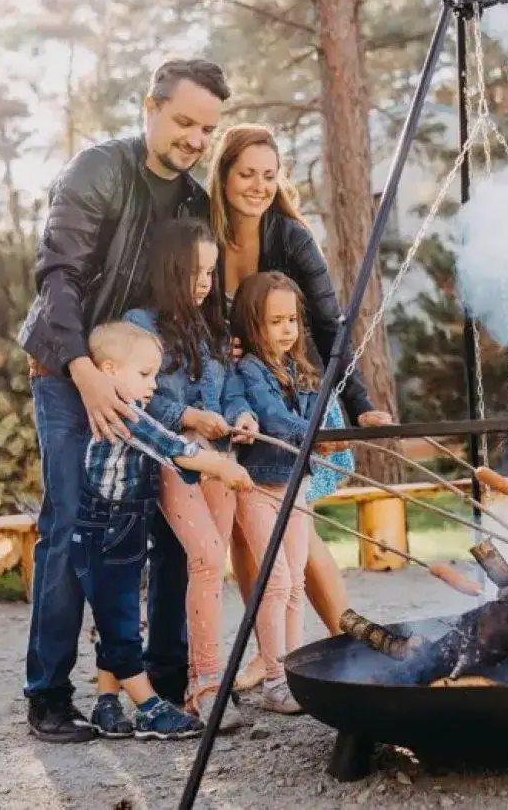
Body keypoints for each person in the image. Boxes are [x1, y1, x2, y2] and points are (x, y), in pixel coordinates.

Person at [19, 57, 230, 742]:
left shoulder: (195, 200)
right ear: (151, 106)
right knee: (70, 525)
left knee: (163, 525)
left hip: (145, 381)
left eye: (207, 128)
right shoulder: (99, 170)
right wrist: (82, 369)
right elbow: (57, 274)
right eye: (184, 120)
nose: (195, 138)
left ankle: (158, 685)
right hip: (68, 369)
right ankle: (49, 696)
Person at [205, 123, 393, 690]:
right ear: (223, 175)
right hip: (234, 399)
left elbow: (333, 325)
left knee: (295, 526)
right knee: (249, 531)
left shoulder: (290, 237)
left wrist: (360, 404)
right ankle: (273, 651)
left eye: (269, 174)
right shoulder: (203, 237)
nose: (258, 186)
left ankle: (346, 640)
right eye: (246, 174)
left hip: (294, 394)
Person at [72, 321, 252, 740]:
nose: (153, 385)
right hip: (106, 529)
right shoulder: (125, 414)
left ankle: (106, 702)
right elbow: (175, 448)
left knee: (115, 615)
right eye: (145, 374)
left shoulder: (126, 405)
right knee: (120, 621)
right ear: (112, 371)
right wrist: (223, 466)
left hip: (123, 526)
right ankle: (150, 708)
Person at [123, 217, 256, 730]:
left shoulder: (214, 326)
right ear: (170, 269)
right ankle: (204, 685)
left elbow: (231, 389)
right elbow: (139, 400)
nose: (204, 282)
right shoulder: (141, 323)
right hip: (172, 462)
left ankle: (208, 678)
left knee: (212, 565)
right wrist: (188, 419)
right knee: (203, 558)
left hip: (221, 459)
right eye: (195, 271)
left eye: (210, 271)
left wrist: (243, 416)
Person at [230, 271, 349, 713]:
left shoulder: (296, 368)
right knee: (276, 580)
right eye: (274, 321)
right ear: (251, 323)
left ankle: (295, 673)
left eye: (291, 320)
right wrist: (320, 435)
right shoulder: (250, 371)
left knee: (296, 579)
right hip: (260, 486)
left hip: (293, 484)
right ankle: (276, 677)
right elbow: (273, 419)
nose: (286, 330)